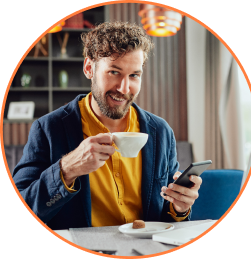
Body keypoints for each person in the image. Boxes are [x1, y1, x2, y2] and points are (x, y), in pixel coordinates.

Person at [13, 21, 202, 230]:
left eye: (134, 75)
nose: (124, 88)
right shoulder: (48, 129)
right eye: (114, 72)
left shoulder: (161, 132)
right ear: (88, 68)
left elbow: (165, 215)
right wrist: (67, 169)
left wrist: (180, 208)